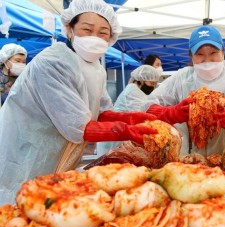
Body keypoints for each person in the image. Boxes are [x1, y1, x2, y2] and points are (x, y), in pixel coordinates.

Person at [0, 0, 158, 205]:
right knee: (22, 209)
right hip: (27, 153)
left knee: (53, 207)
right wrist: (124, 130)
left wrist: (130, 118)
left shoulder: (95, 68)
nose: (96, 37)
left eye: (103, 32)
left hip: (59, 156)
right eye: (87, 29)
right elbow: (78, 126)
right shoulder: (53, 62)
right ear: (69, 28)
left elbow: (100, 111)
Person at [142, 25, 225, 155]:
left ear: (223, 51)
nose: (207, 60)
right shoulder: (182, 78)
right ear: (191, 56)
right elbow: (147, 107)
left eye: (213, 53)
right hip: (193, 160)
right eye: (200, 54)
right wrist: (172, 113)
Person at [96, 65, 160, 155]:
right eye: (151, 83)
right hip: (114, 139)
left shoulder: (141, 92)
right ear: (141, 81)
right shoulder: (132, 91)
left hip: (124, 136)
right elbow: (144, 111)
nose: (153, 87)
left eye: (155, 84)